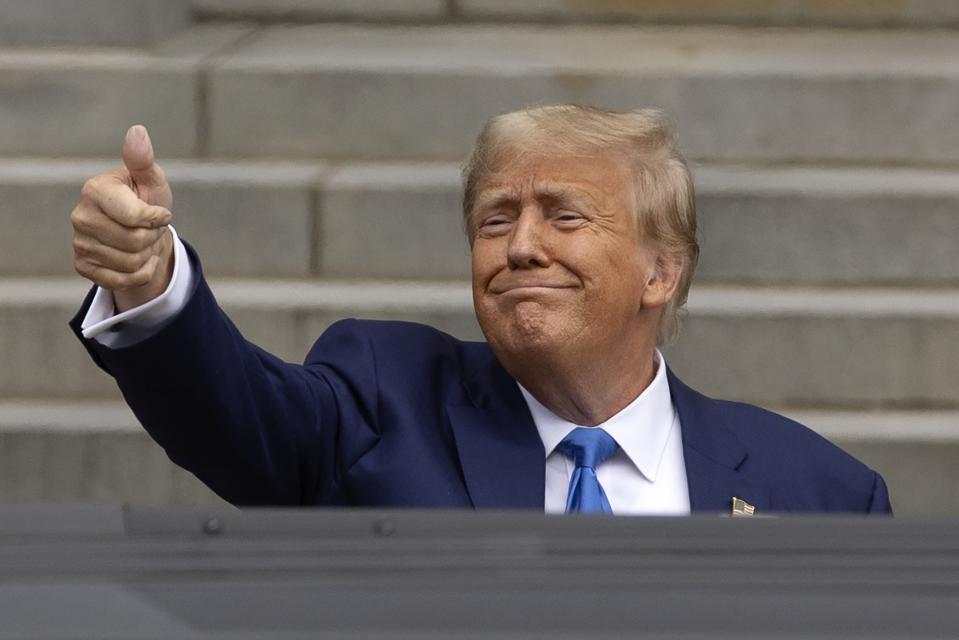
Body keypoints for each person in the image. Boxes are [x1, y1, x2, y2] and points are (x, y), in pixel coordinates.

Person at [69, 105, 892, 514]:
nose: (521, 246)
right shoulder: (380, 403)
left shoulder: (817, 492)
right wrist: (150, 280)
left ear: (659, 272)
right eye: (496, 219)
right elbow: (237, 413)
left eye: (564, 216)